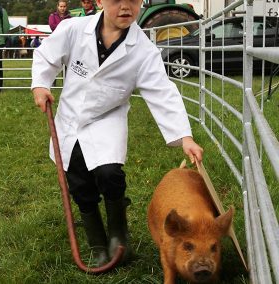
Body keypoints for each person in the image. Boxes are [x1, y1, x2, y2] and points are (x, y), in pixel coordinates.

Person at [31, 0, 204, 267]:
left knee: (109, 172)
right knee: (78, 180)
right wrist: (41, 85)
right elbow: (46, 56)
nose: (126, 7)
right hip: (71, 117)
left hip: (107, 118)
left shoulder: (143, 51)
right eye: (116, 1)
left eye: (133, 1)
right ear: (99, 1)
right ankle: (97, 242)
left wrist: (185, 136)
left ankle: (119, 237)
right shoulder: (73, 29)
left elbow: (162, 92)